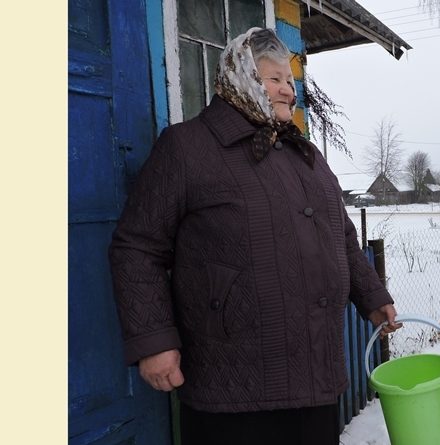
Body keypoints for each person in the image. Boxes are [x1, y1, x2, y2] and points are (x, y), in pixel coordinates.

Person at [109, 28, 399, 445]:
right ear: (240, 78)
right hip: (232, 381)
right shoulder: (188, 148)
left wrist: (372, 297)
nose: (288, 91)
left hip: (314, 375)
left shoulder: (307, 156)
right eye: (274, 79)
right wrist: (153, 341)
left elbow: (342, 237)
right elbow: (137, 247)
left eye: (290, 80)